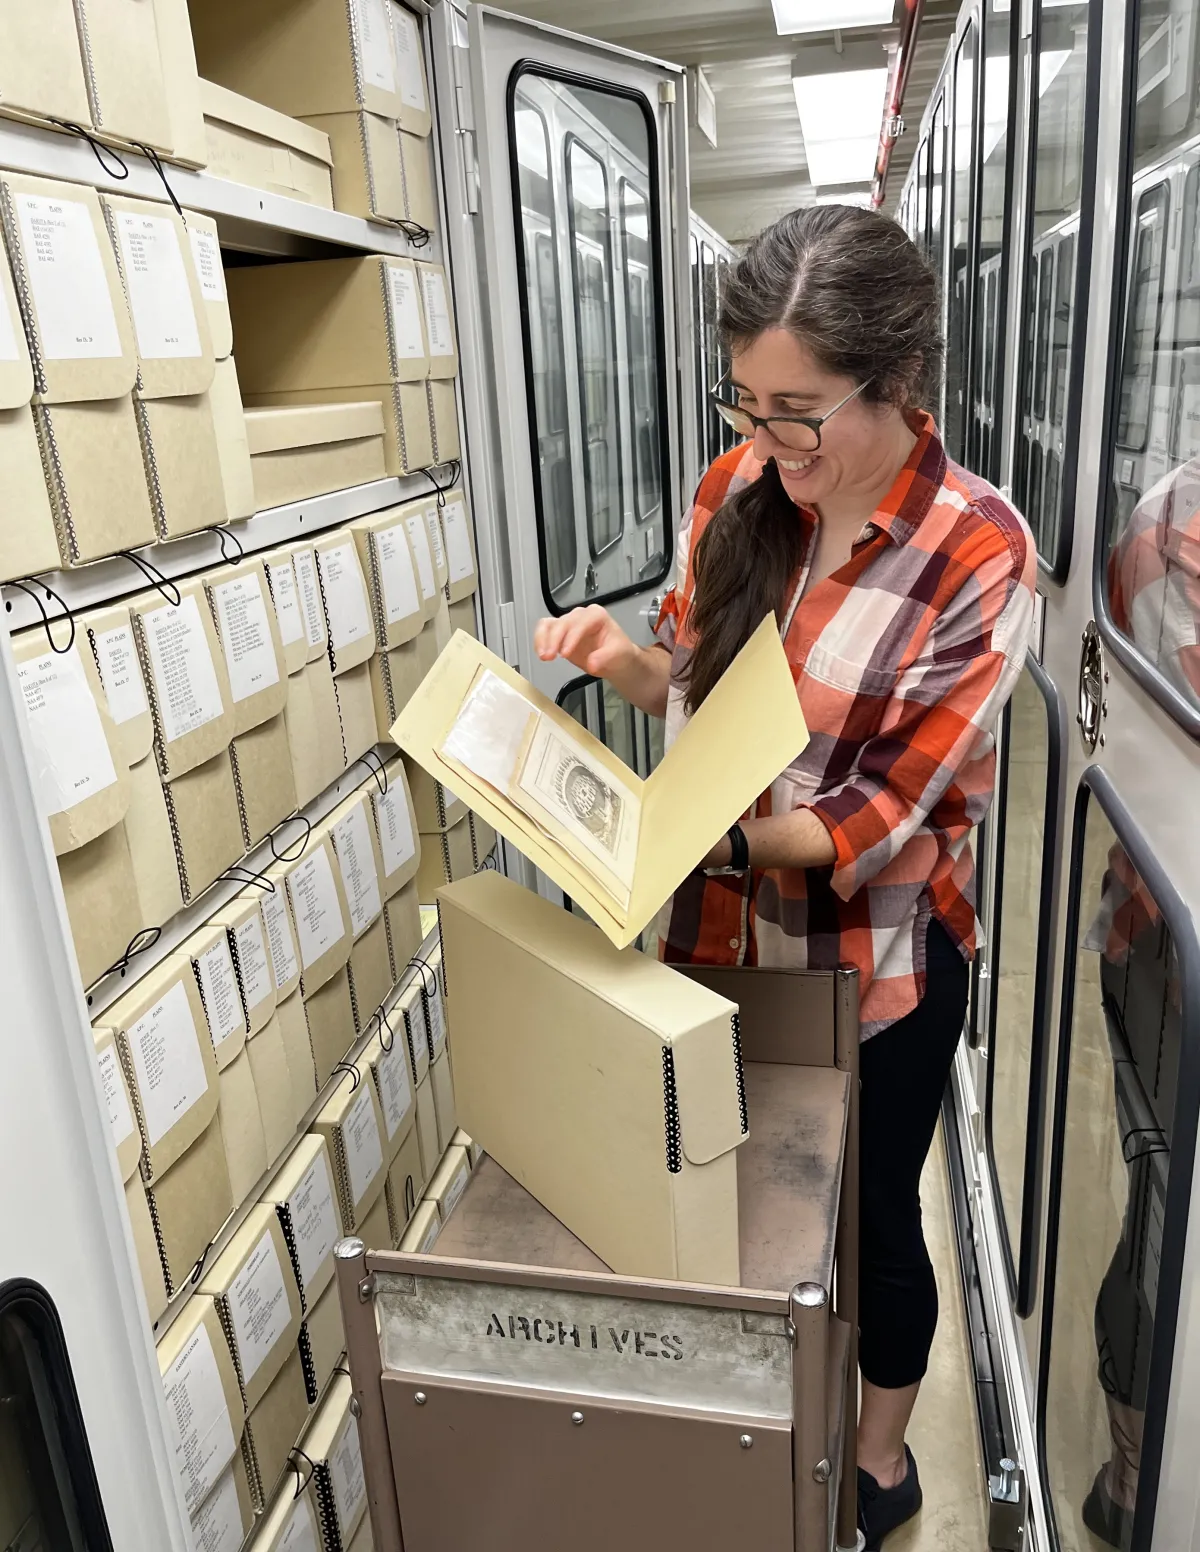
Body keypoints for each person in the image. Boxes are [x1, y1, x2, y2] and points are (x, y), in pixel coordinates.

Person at [535, 204, 1034, 1549]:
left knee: (872, 1214)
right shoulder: (734, 491)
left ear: (901, 384)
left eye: (802, 412)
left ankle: (882, 1462)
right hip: (718, 934)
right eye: (749, 405)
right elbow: (697, 697)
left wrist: (724, 839)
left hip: (878, 961)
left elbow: (881, 810)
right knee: (739, 1188)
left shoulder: (978, 552)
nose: (771, 445)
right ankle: (761, 1401)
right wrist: (616, 664)